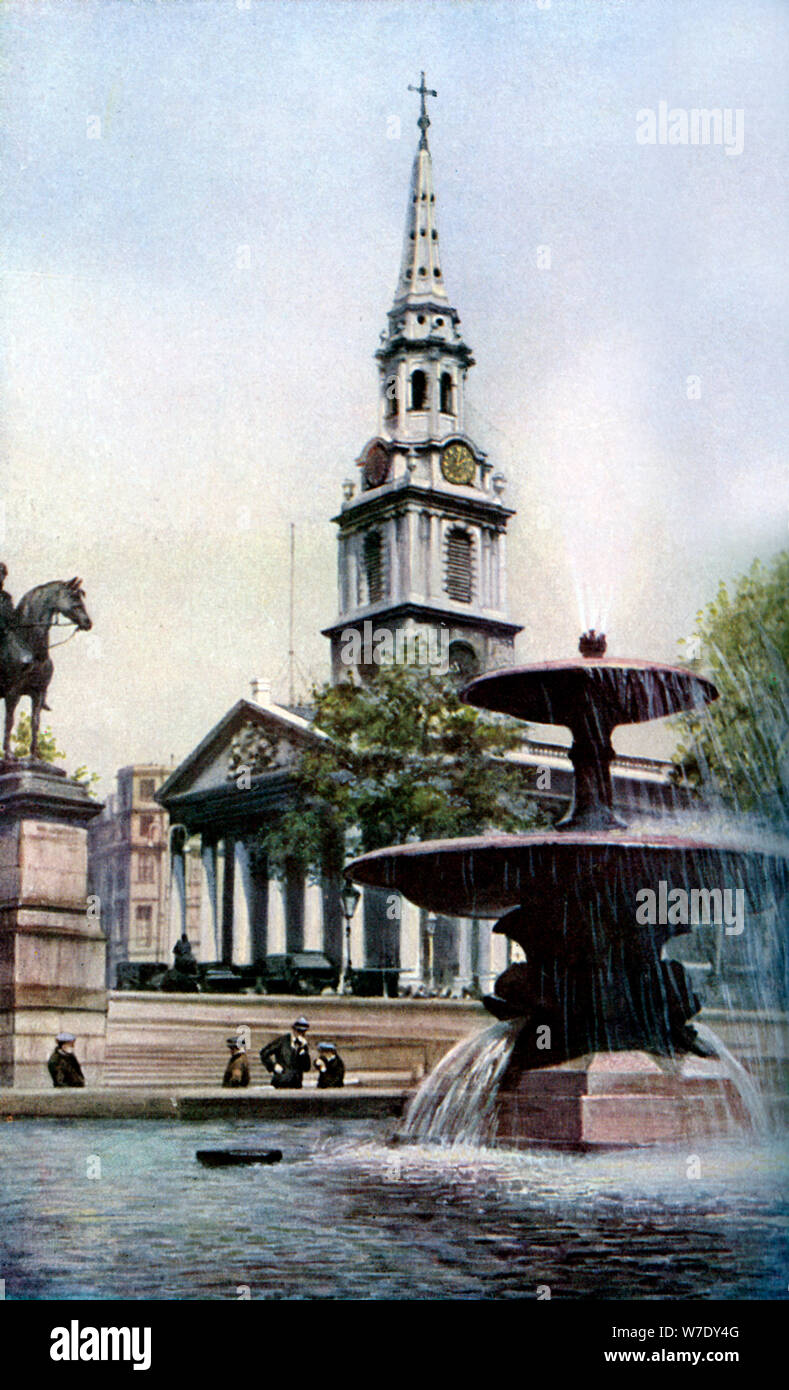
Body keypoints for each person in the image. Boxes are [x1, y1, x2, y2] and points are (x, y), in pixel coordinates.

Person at [259, 1016, 311, 1089]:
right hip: (281, 1081)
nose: (300, 1034)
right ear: (294, 1030)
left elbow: (306, 1068)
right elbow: (264, 1053)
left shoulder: (303, 1045)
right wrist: (273, 1066)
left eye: (303, 1032)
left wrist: (304, 1053)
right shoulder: (282, 1041)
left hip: (296, 1083)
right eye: (299, 1031)